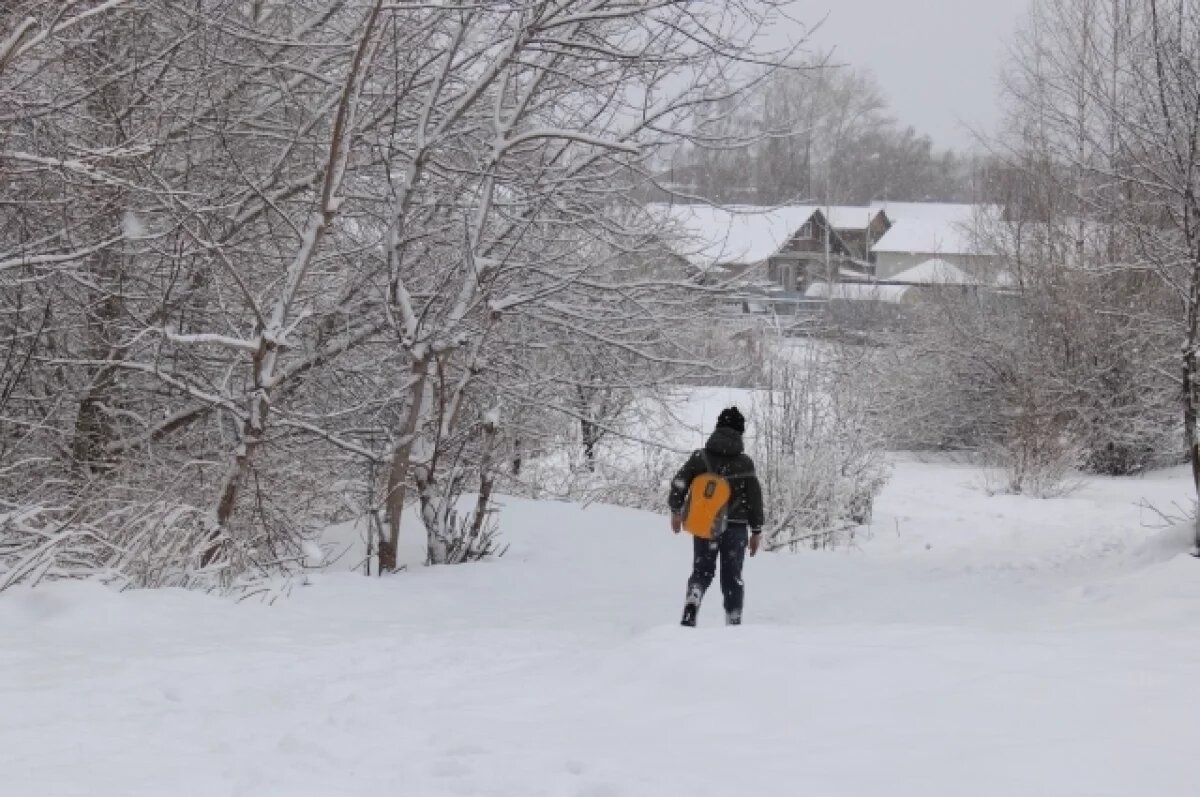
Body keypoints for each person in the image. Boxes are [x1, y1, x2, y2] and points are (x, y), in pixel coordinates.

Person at [668, 406, 765, 627]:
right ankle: (733, 619)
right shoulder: (745, 463)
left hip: (706, 524)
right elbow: (755, 499)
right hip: (736, 529)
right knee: (732, 577)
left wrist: (676, 511)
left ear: (717, 428)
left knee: (702, 570)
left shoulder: (700, 457)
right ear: (740, 432)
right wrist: (756, 531)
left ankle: (695, 593)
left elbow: (679, 483)